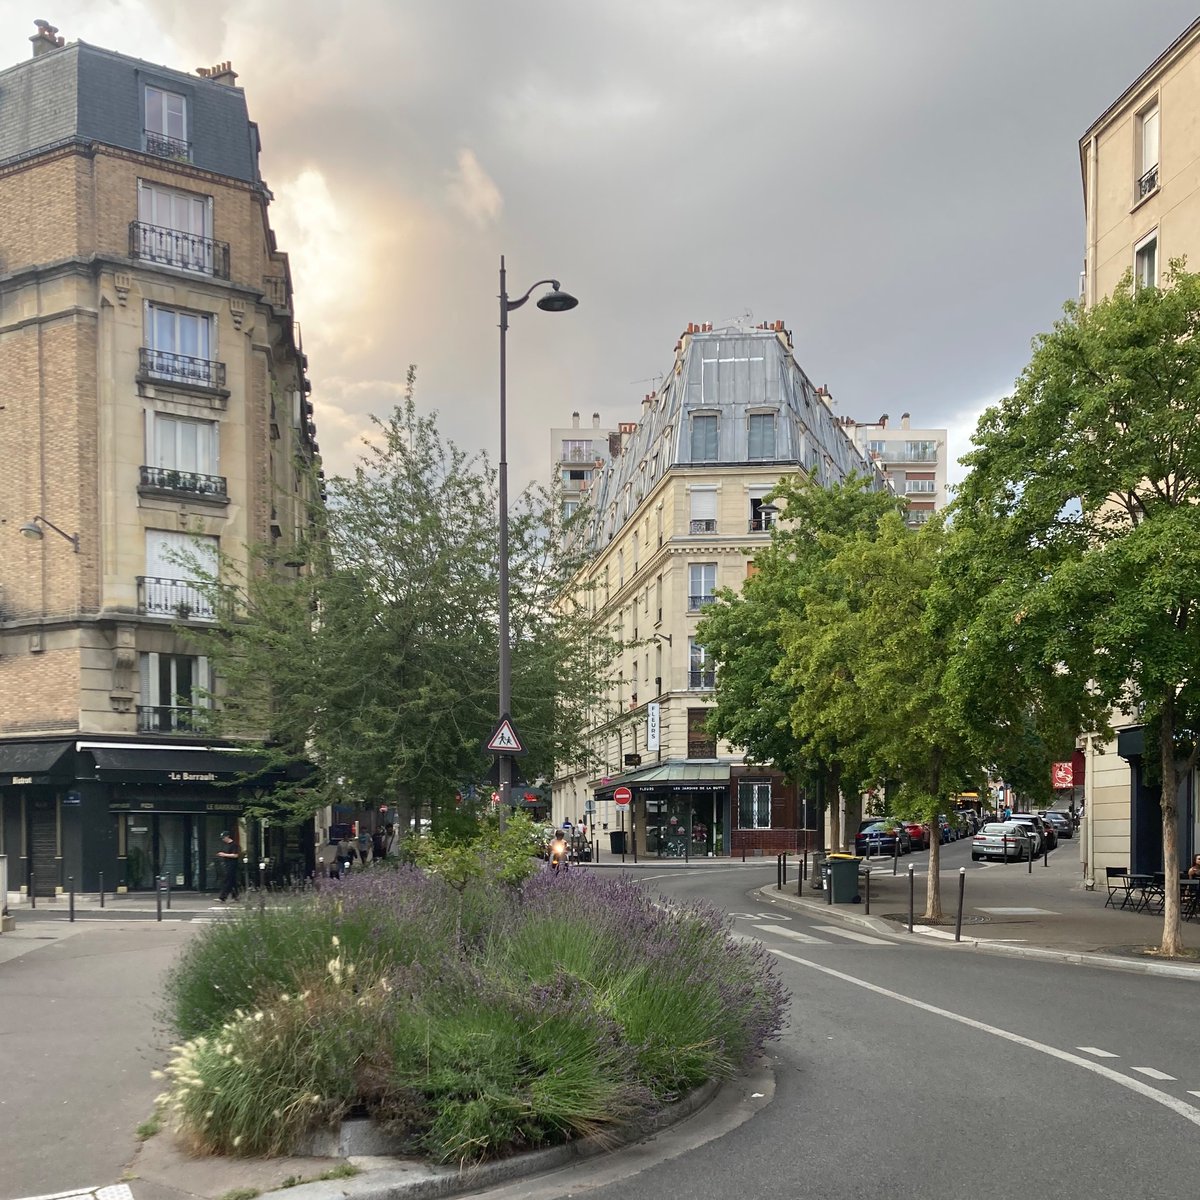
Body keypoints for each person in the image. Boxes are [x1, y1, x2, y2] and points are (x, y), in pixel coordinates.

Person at [216, 831, 240, 902]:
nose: (223, 839)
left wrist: (224, 855)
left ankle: (223, 897)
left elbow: (235, 855)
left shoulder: (234, 845)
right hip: (228, 864)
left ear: (227, 836)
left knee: (228, 881)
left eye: (223, 838)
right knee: (232, 881)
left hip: (232, 865)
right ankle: (235, 896)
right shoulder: (227, 845)